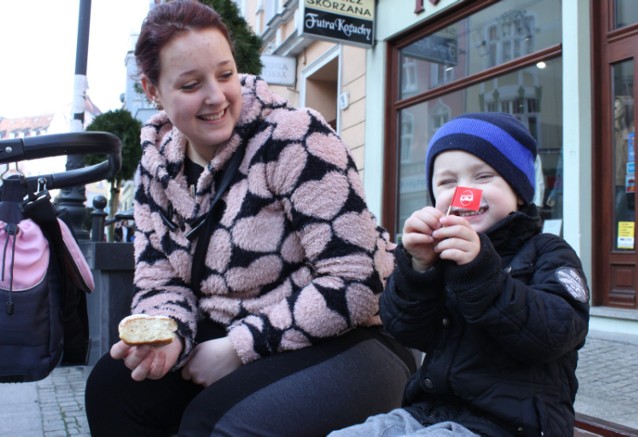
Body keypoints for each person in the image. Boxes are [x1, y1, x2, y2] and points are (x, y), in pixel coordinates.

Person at [84, 1, 416, 436]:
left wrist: (240, 348)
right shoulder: (155, 168)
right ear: (152, 89)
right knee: (111, 389)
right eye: (190, 84)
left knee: (212, 424)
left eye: (225, 74)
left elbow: (358, 280)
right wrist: (171, 337)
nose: (216, 96)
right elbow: (159, 281)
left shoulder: (296, 136)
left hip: (353, 339)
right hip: (226, 331)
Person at [330, 112, 590, 437]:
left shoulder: (548, 252)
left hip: (513, 424)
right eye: (448, 182)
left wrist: (480, 271)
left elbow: (557, 333)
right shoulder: (439, 257)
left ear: (520, 192)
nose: (465, 192)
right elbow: (405, 330)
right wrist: (418, 268)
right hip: (428, 413)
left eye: (483, 177)